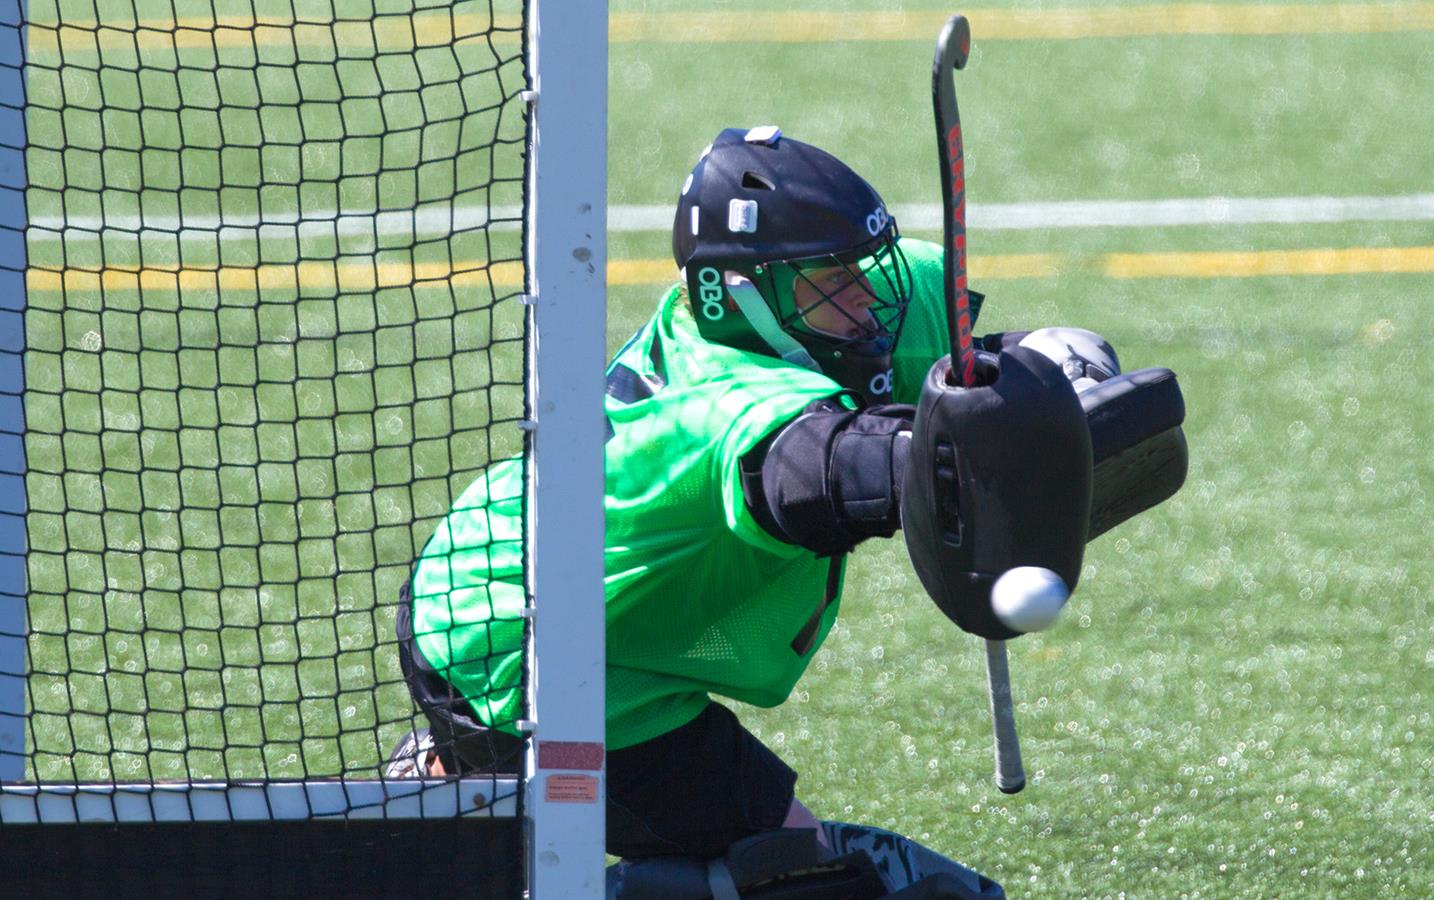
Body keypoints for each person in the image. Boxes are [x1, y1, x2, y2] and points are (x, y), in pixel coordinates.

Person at [388, 127, 1133, 875]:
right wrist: (965, 453)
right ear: (738, 293)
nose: (867, 297)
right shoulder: (723, 402)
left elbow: (965, 354)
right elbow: (818, 469)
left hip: (576, 619)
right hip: (519, 656)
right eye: (834, 282)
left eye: (859, 268)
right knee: (791, 869)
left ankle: (458, 779)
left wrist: (1046, 363)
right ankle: (475, 767)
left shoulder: (820, 306)